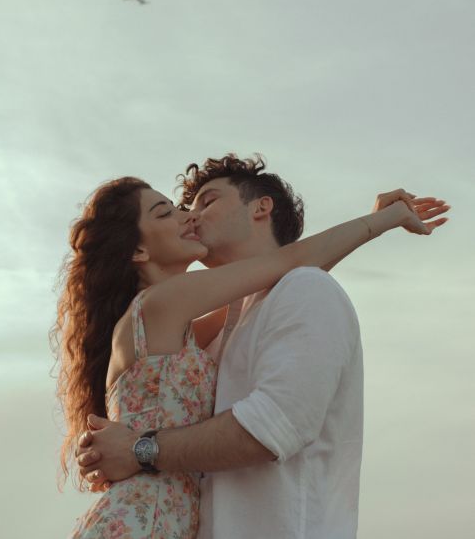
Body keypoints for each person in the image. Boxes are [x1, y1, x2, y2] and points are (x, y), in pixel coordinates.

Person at [66, 155, 449, 538]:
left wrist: (138, 448)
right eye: (170, 212)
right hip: (143, 522)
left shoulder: (217, 323)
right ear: (138, 252)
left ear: (262, 207)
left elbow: (289, 280)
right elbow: (292, 267)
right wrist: (382, 221)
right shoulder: (164, 305)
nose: (191, 217)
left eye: (206, 202)